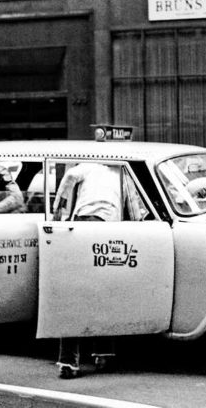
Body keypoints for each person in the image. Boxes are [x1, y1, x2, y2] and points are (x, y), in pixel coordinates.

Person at [52, 162, 123, 379]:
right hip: (109, 228)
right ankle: (103, 354)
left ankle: (68, 361)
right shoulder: (124, 171)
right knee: (105, 291)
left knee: (74, 293)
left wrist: (58, 209)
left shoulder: (89, 165)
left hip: (83, 224)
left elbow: (70, 176)